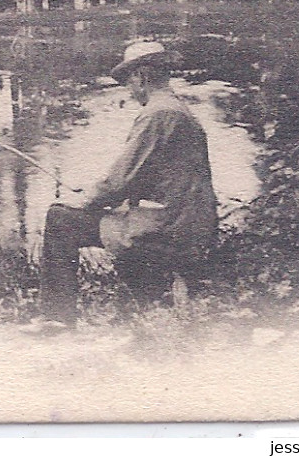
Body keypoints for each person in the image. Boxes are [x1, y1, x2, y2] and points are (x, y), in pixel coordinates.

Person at [33, 40, 219, 328]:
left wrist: (88, 200)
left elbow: (121, 180)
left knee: (60, 219)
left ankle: (56, 320)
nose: (129, 91)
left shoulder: (158, 114)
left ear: (141, 77)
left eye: (128, 82)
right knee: (84, 215)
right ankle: (145, 307)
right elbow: (144, 178)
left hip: (168, 225)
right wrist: (101, 195)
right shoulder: (174, 108)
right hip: (184, 220)